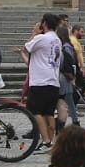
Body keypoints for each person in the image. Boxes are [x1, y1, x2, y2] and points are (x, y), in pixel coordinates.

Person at [22, 14, 64, 149]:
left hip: (40, 80)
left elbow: (26, 48)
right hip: (53, 80)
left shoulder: (41, 38)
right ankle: (50, 141)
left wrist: (35, 33)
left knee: (34, 111)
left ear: (44, 23)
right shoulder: (57, 40)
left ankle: (46, 140)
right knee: (48, 113)